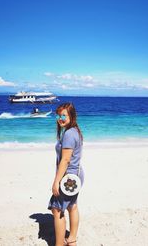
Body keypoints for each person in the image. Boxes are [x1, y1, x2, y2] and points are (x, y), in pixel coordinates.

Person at [48, 102, 84, 246]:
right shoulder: (75, 130)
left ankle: (59, 244)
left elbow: (65, 160)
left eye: (64, 115)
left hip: (68, 179)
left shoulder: (69, 134)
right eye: (59, 115)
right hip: (76, 175)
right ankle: (72, 239)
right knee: (72, 206)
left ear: (71, 116)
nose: (60, 118)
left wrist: (56, 181)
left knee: (57, 209)